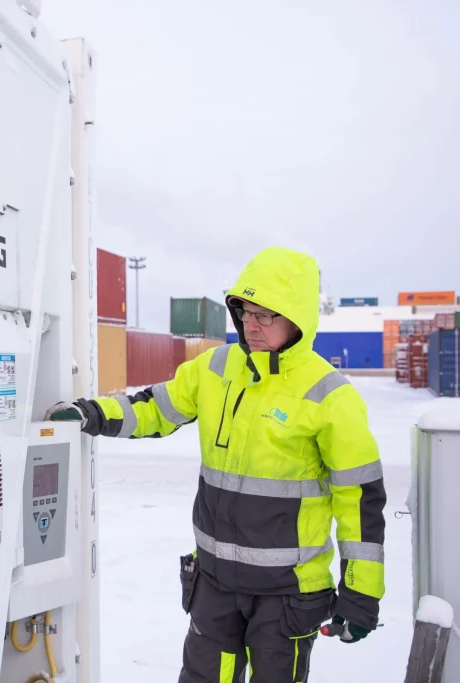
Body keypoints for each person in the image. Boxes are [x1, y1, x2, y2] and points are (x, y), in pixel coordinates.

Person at [46, 246, 386, 682]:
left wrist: (359, 592)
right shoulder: (216, 368)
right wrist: (93, 414)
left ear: (298, 318)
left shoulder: (330, 396)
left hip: (286, 596)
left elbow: (359, 500)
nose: (252, 325)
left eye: (266, 316)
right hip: (215, 585)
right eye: (245, 313)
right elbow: (153, 409)